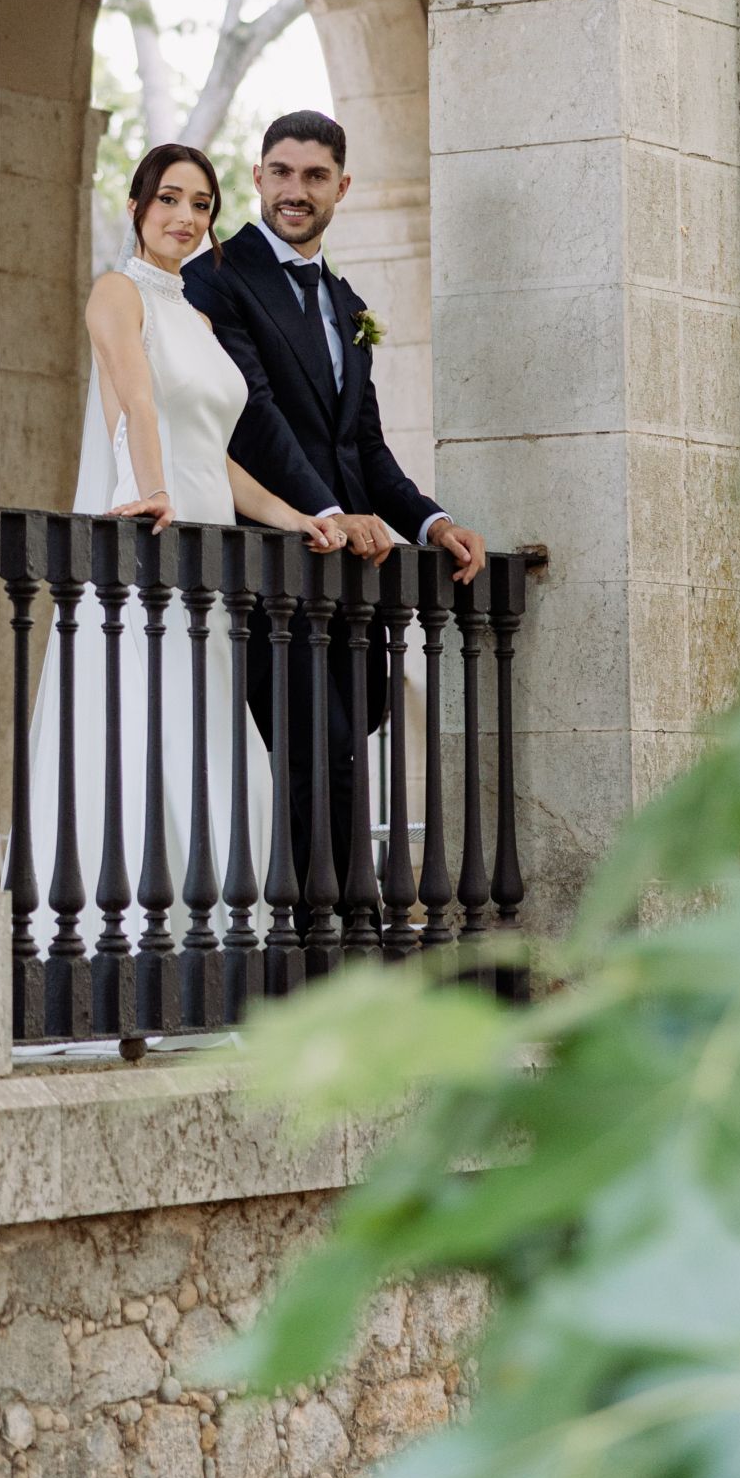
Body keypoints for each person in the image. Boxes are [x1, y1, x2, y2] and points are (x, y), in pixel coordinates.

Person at [24, 143, 345, 948]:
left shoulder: (197, 316)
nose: (185, 216)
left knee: (213, 748)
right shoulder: (116, 292)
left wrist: (295, 515)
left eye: (201, 203)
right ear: (136, 207)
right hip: (147, 542)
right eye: (169, 198)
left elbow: (218, 455)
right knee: (145, 736)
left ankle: (214, 961)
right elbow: (135, 392)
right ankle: (121, 954)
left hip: (211, 563)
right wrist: (153, 487)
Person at [183, 109, 485, 909]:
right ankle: (329, 950)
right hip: (275, 571)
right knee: (321, 751)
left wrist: (432, 522)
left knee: (344, 750)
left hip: (351, 586)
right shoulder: (217, 276)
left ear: (341, 187)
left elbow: (366, 448)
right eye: (280, 172)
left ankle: (339, 942)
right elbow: (253, 417)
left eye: (314, 176)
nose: (294, 190)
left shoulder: (348, 304)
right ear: (256, 177)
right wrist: (324, 511)